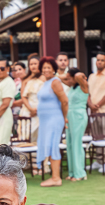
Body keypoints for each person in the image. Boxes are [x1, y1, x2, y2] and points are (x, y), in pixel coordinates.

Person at [36, 56, 68, 187]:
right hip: (45, 121)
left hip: (54, 119)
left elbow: (64, 101)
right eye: (44, 68)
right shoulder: (46, 82)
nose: (46, 70)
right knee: (48, 145)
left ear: (54, 69)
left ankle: (56, 178)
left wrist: (64, 117)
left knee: (53, 146)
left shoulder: (55, 82)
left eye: (49, 67)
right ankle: (54, 176)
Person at [61, 68, 90, 181]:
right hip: (70, 116)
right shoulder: (72, 87)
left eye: (70, 78)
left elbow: (78, 76)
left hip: (79, 116)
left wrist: (78, 75)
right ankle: (72, 172)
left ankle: (80, 173)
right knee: (69, 144)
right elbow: (60, 78)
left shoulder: (83, 86)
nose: (68, 80)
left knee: (76, 144)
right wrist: (69, 77)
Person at [18, 55, 44, 144]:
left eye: (35, 64)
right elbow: (23, 96)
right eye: (31, 64)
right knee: (26, 134)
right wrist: (30, 109)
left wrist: (38, 109)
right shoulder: (25, 79)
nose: (33, 66)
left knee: (40, 133)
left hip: (41, 108)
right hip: (28, 109)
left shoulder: (44, 78)